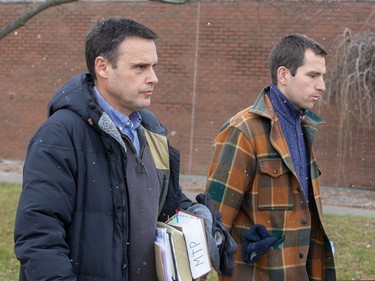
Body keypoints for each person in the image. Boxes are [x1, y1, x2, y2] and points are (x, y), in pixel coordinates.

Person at [14, 18, 226, 281]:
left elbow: (163, 203)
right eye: (140, 67)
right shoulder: (60, 135)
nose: (154, 78)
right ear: (102, 67)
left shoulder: (151, 132)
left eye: (153, 67)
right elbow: (38, 236)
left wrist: (198, 219)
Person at [205, 34, 336, 281]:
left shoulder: (304, 127)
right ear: (283, 75)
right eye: (312, 76)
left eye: (323, 77)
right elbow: (213, 224)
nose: (322, 86)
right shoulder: (242, 131)